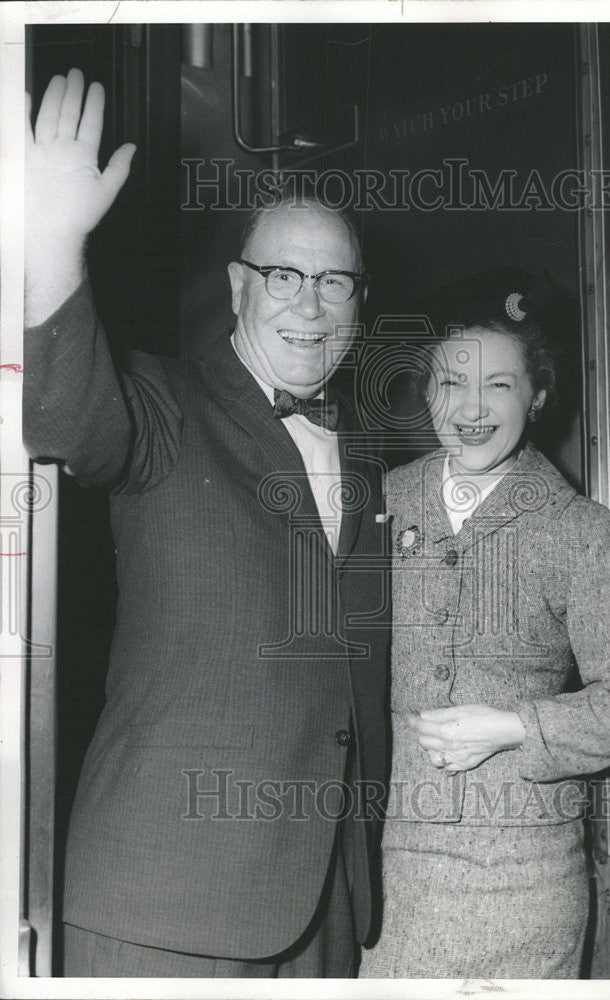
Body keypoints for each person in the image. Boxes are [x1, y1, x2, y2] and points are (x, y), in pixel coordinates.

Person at [24, 69, 389, 978]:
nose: (309, 305)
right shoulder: (162, 400)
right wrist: (53, 245)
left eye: (335, 283)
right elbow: (66, 419)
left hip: (324, 908)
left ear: (359, 304)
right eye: (283, 276)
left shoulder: (373, 459)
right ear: (236, 286)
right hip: (166, 902)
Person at [359, 268, 610, 978]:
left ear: (536, 396)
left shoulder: (581, 531)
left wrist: (514, 727)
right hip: (382, 878)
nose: (471, 409)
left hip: (521, 885)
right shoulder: (377, 503)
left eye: (498, 385)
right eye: (451, 383)